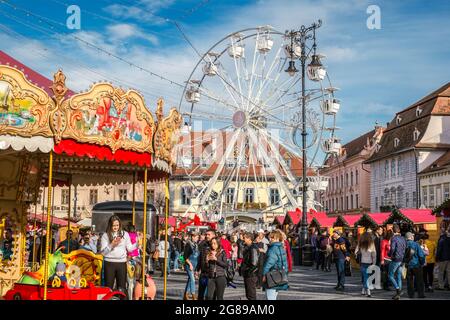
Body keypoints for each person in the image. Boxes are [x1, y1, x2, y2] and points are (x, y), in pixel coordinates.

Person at [100, 215, 137, 296]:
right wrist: (112, 244)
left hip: (121, 263)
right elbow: (103, 253)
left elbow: (130, 248)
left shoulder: (125, 234)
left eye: (117, 225)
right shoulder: (105, 235)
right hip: (109, 263)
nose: (116, 227)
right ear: (110, 225)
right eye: (113, 225)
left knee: (122, 287)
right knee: (108, 287)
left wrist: (137, 243)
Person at [262, 230, 288, 300]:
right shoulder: (281, 247)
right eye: (270, 237)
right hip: (278, 275)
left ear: (277, 238)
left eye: (272, 237)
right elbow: (285, 263)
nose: (270, 239)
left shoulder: (273, 248)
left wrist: (264, 274)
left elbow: (269, 263)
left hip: (272, 276)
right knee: (273, 296)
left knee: (270, 298)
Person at [404, 232, 426, 298]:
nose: (413, 237)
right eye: (412, 236)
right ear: (410, 237)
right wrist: (422, 263)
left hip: (408, 265)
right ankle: (420, 294)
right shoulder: (416, 244)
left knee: (409, 281)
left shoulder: (404, 244)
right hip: (416, 265)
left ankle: (411, 294)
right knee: (419, 280)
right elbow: (421, 255)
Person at [196, 229, 216, 300]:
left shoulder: (216, 245)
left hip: (212, 273)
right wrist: (197, 270)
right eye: (206, 234)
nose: (207, 236)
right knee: (200, 293)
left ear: (213, 235)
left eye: (209, 234)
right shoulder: (202, 244)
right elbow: (200, 258)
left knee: (210, 295)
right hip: (203, 272)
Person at [355, 232, 377, 297]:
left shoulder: (360, 243)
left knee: (365, 277)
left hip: (362, 262)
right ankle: (368, 290)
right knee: (366, 277)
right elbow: (374, 254)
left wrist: (359, 252)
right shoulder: (372, 243)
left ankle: (364, 289)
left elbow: (355, 251)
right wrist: (374, 263)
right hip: (370, 262)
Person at [388, 224, 407, 300]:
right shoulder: (403, 238)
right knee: (398, 276)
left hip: (396, 259)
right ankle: (398, 294)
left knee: (390, 275)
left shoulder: (394, 238)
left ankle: (398, 289)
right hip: (402, 259)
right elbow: (405, 247)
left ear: (393, 230)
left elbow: (392, 248)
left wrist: (389, 254)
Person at [241, 232, 259, 300]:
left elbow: (254, 263)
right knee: (248, 294)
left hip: (251, 274)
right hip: (248, 273)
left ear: (249, 239)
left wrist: (248, 271)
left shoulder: (253, 248)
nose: (243, 239)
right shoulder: (248, 247)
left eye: (245, 238)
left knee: (251, 295)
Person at [183, 232, 200, 300]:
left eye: (197, 237)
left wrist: (197, 268)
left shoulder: (196, 245)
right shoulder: (188, 244)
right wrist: (190, 264)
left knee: (190, 280)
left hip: (194, 265)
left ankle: (186, 295)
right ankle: (193, 295)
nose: (197, 238)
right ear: (192, 237)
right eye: (196, 237)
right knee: (192, 280)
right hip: (189, 264)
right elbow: (185, 257)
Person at [436, 225, 450, 290]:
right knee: (449, 271)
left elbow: (439, 249)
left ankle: (441, 286)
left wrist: (437, 257)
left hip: (442, 257)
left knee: (441, 272)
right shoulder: (448, 237)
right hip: (449, 257)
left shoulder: (442, 238)